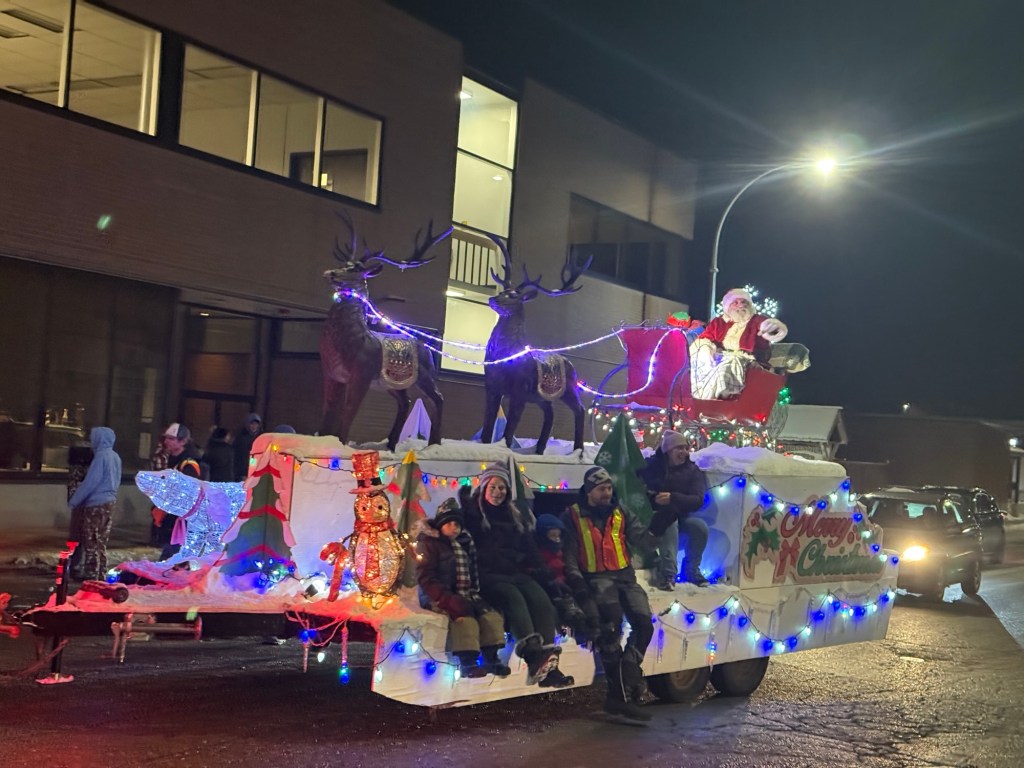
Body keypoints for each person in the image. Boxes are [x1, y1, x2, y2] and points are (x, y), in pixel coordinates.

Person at [460, 463, 574, 687]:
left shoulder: (514, 516)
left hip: (514, 572)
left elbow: (529, 548)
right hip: (488, 575)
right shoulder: (475, 515)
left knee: (540, 599)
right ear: (484, 488)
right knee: (514, 598)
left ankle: (548, 664)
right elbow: (476, 549)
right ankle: (533, 656)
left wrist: (545, 573)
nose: (497, 492)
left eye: (502, 488)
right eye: (493, 487)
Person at [562, 467, 657, 722]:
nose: (607, 493)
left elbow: (643, 538)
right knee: (610, 633)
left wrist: (659, 529)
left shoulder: (621, 512)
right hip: (596, 580)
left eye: (609, 488)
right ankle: (620, 698)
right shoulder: (572, 516)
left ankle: (628, 673)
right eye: (602, 489)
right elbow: (569, 555)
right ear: (589, 491)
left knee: (645, 625)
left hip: (625, 577)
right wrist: (578, 585)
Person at [415, 497, 512, 678]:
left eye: (457, 524)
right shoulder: (430, 544)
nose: (454, 528)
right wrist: (447, 599)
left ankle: (492, 658)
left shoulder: (465, 542)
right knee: (465, 620)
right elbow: (426, 578)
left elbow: (472, 571)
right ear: (440, 525)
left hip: (465, 593)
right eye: (449, 524)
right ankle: (468, 663)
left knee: (489, 616)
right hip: (439, 596)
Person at [638, 430, 710, 587]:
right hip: (652, 519)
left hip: (680, 517)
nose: (684, 452)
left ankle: (691, 569)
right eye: (679, 448)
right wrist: (652, 497)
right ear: (668, 450)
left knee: (700, 527)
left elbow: (698, 500)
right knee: (668, 520)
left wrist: (673, 498)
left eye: (686, 448)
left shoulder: (692, 471)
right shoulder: (651, 467)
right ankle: (668, 574)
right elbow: (637, 490)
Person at [689, 287, 788, 400]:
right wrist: (705, 351)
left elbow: (767, 325)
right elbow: (704, 339)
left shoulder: (756, 320)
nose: (740, 305)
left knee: (729, 364)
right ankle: (702, 397)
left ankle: (723, 397)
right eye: (735, 302)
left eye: (744, 302)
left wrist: (773, 327)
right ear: (728, 306)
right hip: (720, 357)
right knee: (701, 364)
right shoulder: (718, 322)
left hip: (749, 361)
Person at [533, 513, 598, 645]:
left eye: (558, 536)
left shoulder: (561, 551)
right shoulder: (540, 553)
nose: (556, 539)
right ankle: (577, 629)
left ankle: (593, 624)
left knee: (584, 598)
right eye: (552, 536)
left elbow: (567, 567)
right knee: (566, 605)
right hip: (551, 586)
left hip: (565, 582)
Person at [67, 427, 122, 581]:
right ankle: (101, 572)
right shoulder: (115, 457)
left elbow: (91, 482)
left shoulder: (101, 457)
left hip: (95, 504)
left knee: (91, 539)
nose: (91, 442)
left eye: (93, 438)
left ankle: (91, 574)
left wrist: (75, 500)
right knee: (101, 540)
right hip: (110, 502)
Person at [152, 423, 203, 560]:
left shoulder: (189, 464)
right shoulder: (172, 459)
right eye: (166, 438)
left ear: (183, 442)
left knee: (172, 556)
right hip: (171, 515)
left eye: (171, 439)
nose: (166, 441)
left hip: (180, 518)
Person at [233, 413, 263, 481]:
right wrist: (241, 473)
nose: (254, 426)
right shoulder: (240, 438)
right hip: (243, 472)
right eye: (252, 424)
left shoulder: (261, 438)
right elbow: (238, 457)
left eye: (256, 424)